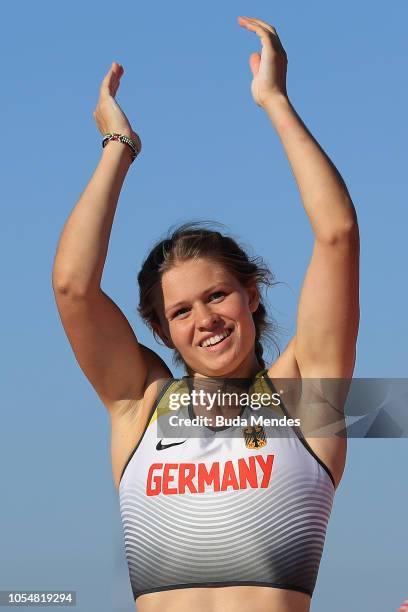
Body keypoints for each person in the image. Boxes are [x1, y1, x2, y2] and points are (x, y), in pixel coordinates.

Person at [52, 15, 359, 612]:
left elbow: (338, 236)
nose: (206, 319)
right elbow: (72, 288)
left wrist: (274, 101)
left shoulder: (306, 397)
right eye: (182, 311)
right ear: (161, 330)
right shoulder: (137, 404)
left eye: (218, 296)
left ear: (252, 294)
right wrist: (118, 147)